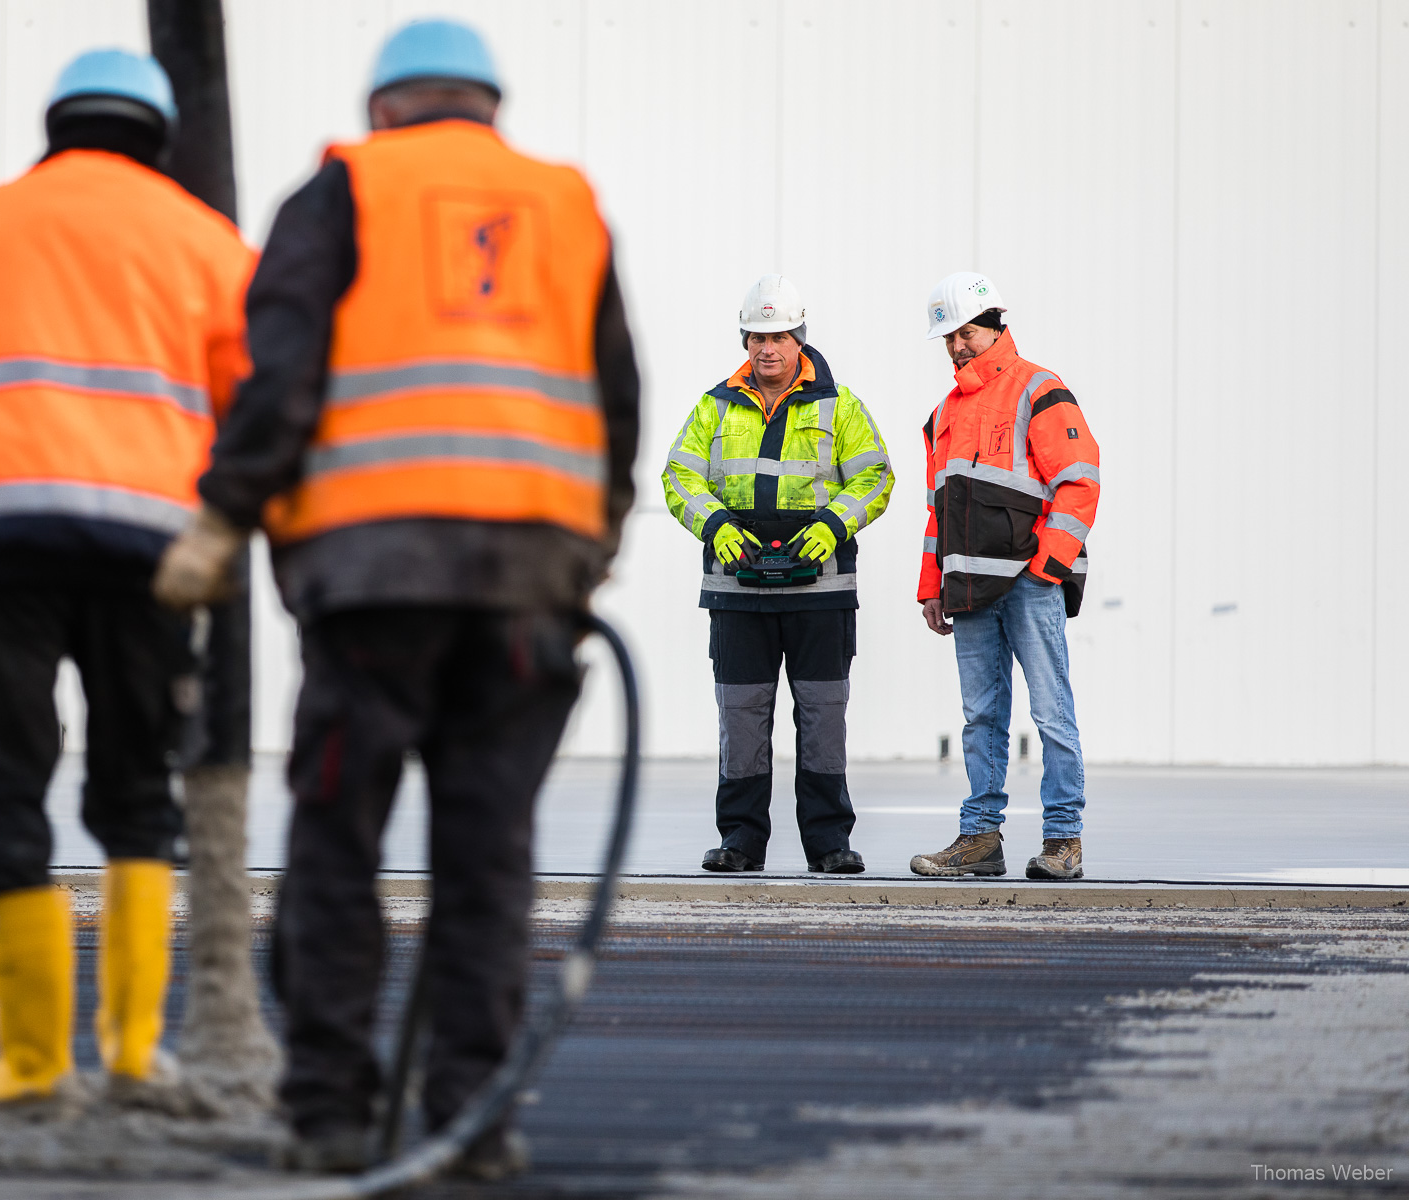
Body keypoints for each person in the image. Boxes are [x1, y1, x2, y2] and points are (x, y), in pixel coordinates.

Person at [151, 18, 639, 1178]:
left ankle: (328, 1112)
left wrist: (224, 513)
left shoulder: (341, 190)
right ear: (489, 107)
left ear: (384, 109)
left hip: (373, 582)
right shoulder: (566, 204)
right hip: (528, 585)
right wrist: (593, 543)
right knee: (488, 854)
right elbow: (619, 393)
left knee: (339, 837)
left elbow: (282, 376)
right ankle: (473, 1122)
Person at [0, 49, 256, 1105]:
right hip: (152, 547)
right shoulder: (207, 242)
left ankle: (30, 1065)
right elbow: (252, 391)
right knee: (139, 787)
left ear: (56, 127)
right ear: (159, 134)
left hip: (4, 537)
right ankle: (134, 1057)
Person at [662, 276, 894, 876]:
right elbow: (678, 477)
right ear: (745, 339)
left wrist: (835, 525)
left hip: (821, 592)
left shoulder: (839, 407)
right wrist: (714, 523)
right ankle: (740, 842)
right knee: (741, 719)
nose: (769, 348)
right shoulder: (713, 407)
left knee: (822, 718)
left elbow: (875, 477)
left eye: (780, 335)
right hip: (737, 593)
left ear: (800, 337)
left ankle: (829, 845)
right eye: (758, 336)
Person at [909, 272, 1100, 881]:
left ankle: (1063, 840)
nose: (957, 345)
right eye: (949, 337)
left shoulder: (1038, 388)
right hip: (968, 588)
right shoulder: (945, 412)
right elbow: (939, 505)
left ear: (994, 324)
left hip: (1028, 583)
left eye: (965, 332)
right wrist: (931, 585)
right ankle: (980, 838)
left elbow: (1079, 480)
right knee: (981, 716)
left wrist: (1048, 566)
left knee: (1050, 711)